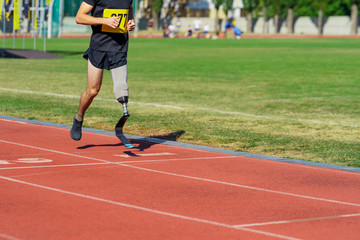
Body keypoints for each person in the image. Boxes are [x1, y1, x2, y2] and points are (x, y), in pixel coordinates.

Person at [70, 0, 136, 148]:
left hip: (119, 47)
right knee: (93, 91)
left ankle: (124, 111)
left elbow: (129, 10)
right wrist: (104, 21)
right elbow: (80, 17)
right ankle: (79, 117)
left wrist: (130, 23)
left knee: (122, 89)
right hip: (99, 47)